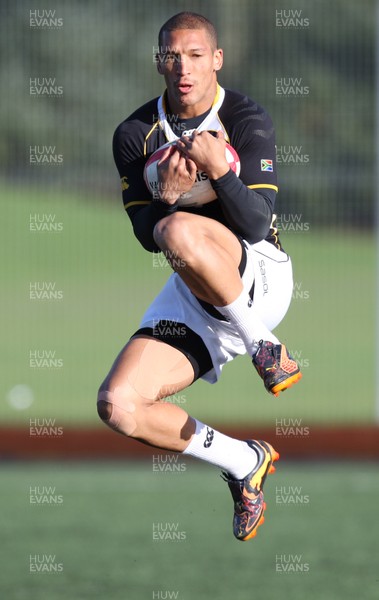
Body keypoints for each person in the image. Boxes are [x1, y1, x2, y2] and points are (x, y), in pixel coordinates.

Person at [98, 11, 302, 541]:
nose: (183, 67)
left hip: (259, 277)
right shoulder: (134, 133)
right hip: (192, 294)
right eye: (172, 55)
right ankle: (242, 461)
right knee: (119, 405)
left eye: (195, 55)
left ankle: (264, 346)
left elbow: (257, 223)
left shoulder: (246, 117)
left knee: (181, 232)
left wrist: (218, 170)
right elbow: (147, 230)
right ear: (159, 62)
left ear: (216, 60)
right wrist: (164, 196)